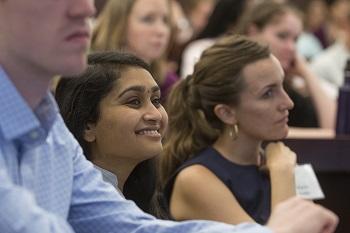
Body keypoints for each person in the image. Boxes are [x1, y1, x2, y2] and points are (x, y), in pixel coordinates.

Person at [0, 0, 338, 233]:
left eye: (156, 99)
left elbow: (132, 226)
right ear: (225, 111)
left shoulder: (51, 125)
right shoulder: (198, 176)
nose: (85, 8)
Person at [158, 35, 297, 224]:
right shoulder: (196, 180)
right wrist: (282, 173)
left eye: (283, 85)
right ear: (227, 113)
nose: (288, 103)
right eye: (268, 93)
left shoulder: (278, 159)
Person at [55, 52, 168, 213]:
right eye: (134, 101)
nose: (156, 115)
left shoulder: (136, 190)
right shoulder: (83, 201)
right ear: (87, 126)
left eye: (156, 101)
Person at [235, 1, 336, 129]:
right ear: (253, 32)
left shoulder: (287, 88)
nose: (292, 47)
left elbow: (335, 129)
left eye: (295, 39)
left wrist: (306, 72)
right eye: (282, 36)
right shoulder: (232, 78)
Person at [91, 0, 178, 102]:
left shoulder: (168, 83)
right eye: (148, 19)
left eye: (165, 20)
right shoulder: (91, 79)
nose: (161, 31)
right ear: (119, 25)